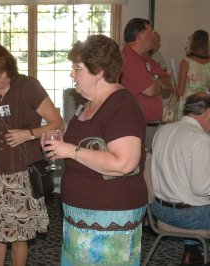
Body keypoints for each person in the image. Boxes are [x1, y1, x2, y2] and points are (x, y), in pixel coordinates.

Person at [43, 35, 147, 265]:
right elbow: (89, 146)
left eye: (77, 68)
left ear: (99, 71)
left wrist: (70, 150)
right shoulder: (88, 104)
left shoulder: (122, 105)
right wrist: (61, 145)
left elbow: (124, 163)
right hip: (81, 215)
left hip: (111, 217)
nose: (72, 73)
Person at [0, 43, 64, 266]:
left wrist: (28, 134)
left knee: (20, 235)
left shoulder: (28, 86)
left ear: (8, 66)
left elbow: (58, 122)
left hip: (22, 172)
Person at [151, 92, 210, 265]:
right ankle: (191, 251)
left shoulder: (163, 130)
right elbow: (201, 188)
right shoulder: (201, 139)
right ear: (207, 112)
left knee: (185, 192)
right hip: (188, 216)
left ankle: (190, 253)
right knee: (198, 199)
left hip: (159, 210)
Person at [120, 18, 175, 150]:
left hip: (153, 126)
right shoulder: (128, 58)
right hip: (137, 126)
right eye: (150, 31)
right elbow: (150, 90)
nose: (153, 36)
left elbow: (170, 83)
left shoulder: (147, 59)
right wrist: (156, 81)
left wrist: (155, 81)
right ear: (140, 35)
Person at [175, 30, 210, 121]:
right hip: (203, 105)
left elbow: (180, 91)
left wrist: (173, 86)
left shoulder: (186, 62)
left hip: (187, 105)